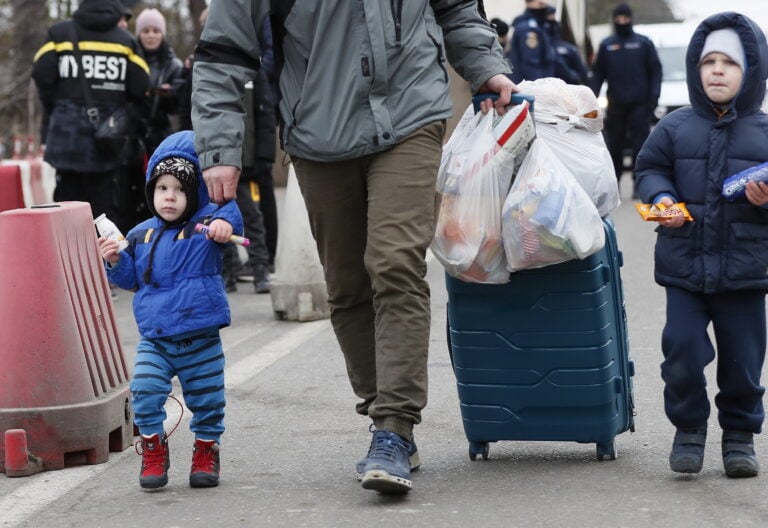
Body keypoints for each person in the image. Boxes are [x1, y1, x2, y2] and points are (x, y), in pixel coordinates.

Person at [191, 1, 516, 494]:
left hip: (411, 116)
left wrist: (486, 67)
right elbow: (223, 51)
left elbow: (457, 10)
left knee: (394, 264)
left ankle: (394, 427)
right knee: (346, 286)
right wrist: (219, 148)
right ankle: (378, 406)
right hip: (318, 132)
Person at [635, 11, 768, 478]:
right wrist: (661, 196)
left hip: (746, 269)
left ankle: (739, 436)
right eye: (708, 61)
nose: (716, 70)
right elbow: (649, 170)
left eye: (729, 63)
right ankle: (688, 429)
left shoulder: (765, 131)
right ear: (695, 68)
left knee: (743, 362)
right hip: (685, 265)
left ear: (751, 71)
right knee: (683, 353)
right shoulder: (674, 126)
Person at [98, 130, 244, 489]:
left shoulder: (206, 226)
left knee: (208, 401)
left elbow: (229, 210)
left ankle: (206, 450)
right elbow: (132, 280)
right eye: (162, 188)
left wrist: (225, 224)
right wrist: (115, 260)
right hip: (157, 338)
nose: (170, 197)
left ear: (194, 194)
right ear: (152, 192)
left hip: (201, 336)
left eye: (180, 190)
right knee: (144, 391)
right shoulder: (140, 234)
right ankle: (152, 448)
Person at [31, 0, 149, 224]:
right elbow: (141, 86)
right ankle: (104, 258)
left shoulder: (59, 34)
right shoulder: (125, 41)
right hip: (107, 140)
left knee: (65, 209)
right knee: (105, 212)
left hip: (66, 138)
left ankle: (65, 257)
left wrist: (56, 108)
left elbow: (42, 75)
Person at [590, 3, 662, 194]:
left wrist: (652, 100)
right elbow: (598, 74)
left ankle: (640, 185)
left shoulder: (643, 43)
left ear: (630, 19)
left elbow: (655, 72)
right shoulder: (607, 45)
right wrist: (590, 97)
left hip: (640, 105)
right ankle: (615, 185)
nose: (622, 21)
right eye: (619, 18)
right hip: (616, 105)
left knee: (641, 147)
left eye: (625, 18)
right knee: (615, 147)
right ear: (614, 19)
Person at [135, 8, 185, 158]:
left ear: (162, 34)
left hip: (161, 138)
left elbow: (178, 108)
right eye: (146, 30)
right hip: (131, 136)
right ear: (139, 34)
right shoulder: (129, 61)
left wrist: (171, 94)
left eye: (156, 31)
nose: (151, 35)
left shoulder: (174, 65)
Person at [507, 0, 560, 82]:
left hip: (540, 80)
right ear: (529, 3)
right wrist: (541, 87)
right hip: (531, 84)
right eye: (540, 4)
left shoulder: (539, 25)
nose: (544, 7)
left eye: (545, 4)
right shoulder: (528, 28)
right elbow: (531, 63)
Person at [544, 6, 589, 85]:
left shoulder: (568, 48)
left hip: (566, 85)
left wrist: (574, 76)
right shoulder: (542, 42)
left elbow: (581, 72)